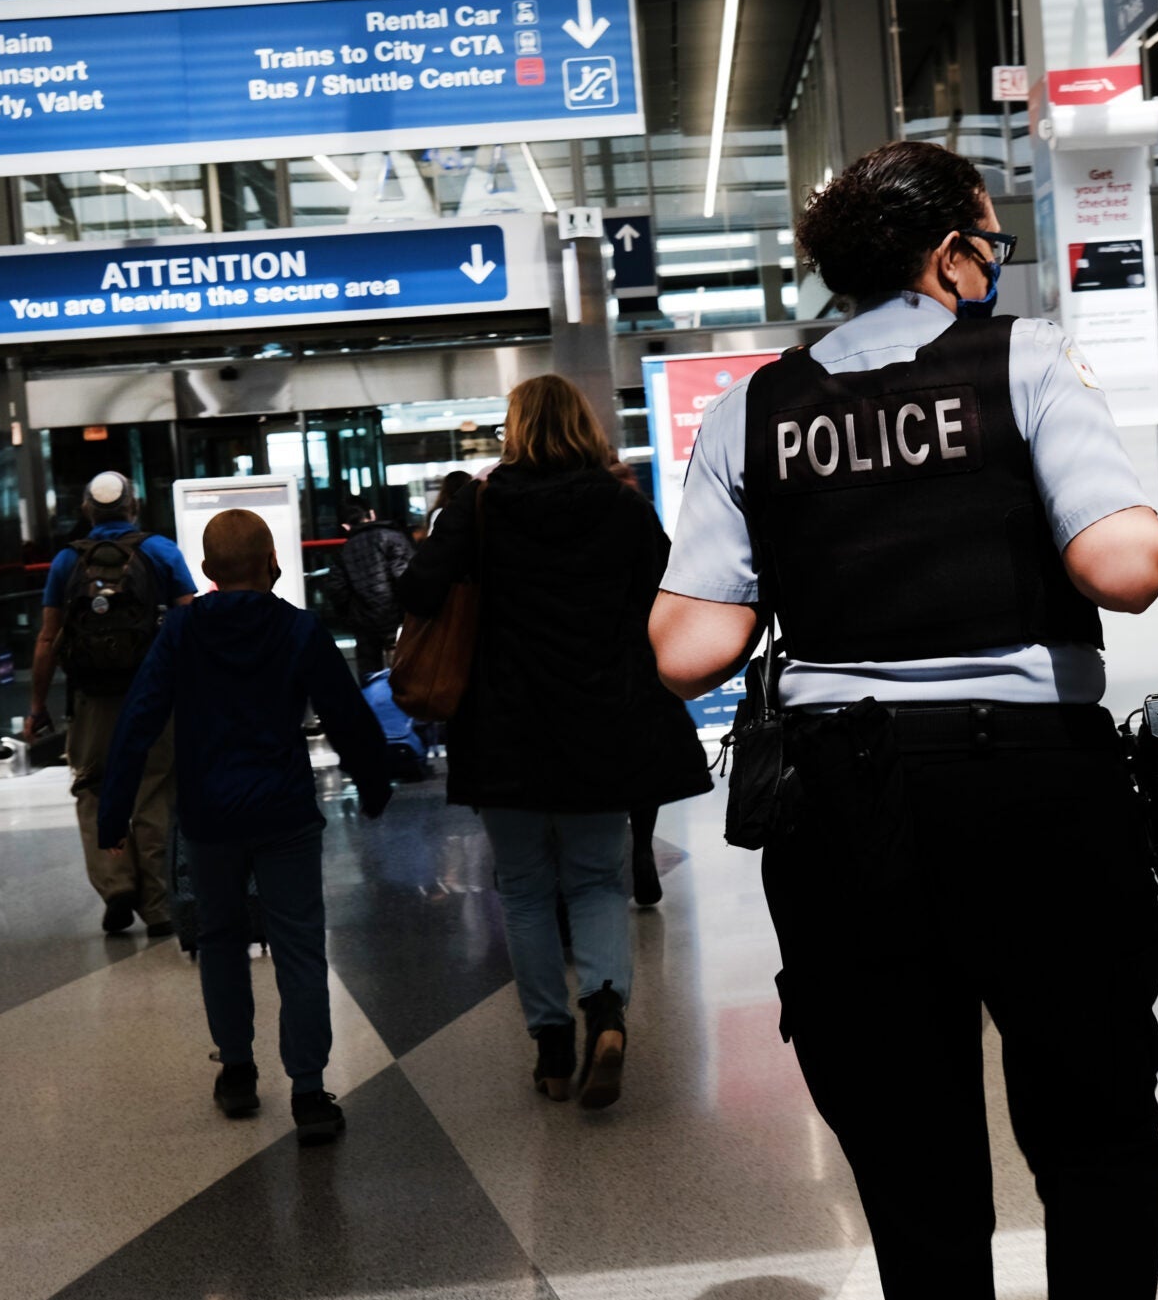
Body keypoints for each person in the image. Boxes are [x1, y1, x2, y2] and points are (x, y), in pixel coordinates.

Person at [649, 139, 1158, 1300]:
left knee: (913, 1161)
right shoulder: (1024, 362)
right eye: (989, 244)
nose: (994, 268)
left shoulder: (755, 409)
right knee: (1098, 1135)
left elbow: (688, 648)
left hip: (848, 810)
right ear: (951, 253)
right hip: (1034, 796)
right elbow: (1124, 566)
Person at [397, 374, 709, 1110]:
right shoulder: (621, 506)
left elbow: (417, 592)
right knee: (598, 881)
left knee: (527, 889)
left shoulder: (481, 506)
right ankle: (605, 1010)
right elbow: (669, 594)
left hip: (503, 730)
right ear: (583, 425)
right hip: (600, 723)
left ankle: (551, 1045)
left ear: (514, 430)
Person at [95, 508, 391, 1144]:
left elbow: (138, 721)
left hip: (208, 815)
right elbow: (346, 713)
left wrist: (114, 810)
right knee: (300, 946)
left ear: (205, 572)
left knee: (222, 940)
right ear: (274, 565)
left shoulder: (181, 632)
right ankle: (310, 1093)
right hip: (283, 811)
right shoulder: (299, 629)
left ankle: (236, 1072)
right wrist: (373, 782)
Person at [30, 473, 197, 937]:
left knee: (93, 786)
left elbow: (48, 638)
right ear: (134, 505)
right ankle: (160, 903)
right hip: (155, 695)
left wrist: (36, 705)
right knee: (155, 788)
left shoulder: (67, 561)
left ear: (87, 510)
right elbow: (190, 620)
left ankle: (115, 882)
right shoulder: (161, 551)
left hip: (91, 698)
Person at [327, 499, 415, 677]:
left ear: (345, 526)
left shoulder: (344, 551)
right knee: (404, 674)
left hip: (364, 623)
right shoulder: (394, 537)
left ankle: (372, 703)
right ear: (372, 514)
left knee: (370, 675)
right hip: (398, 620)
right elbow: (406, 577)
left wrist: (350, 615)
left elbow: (337, 589)